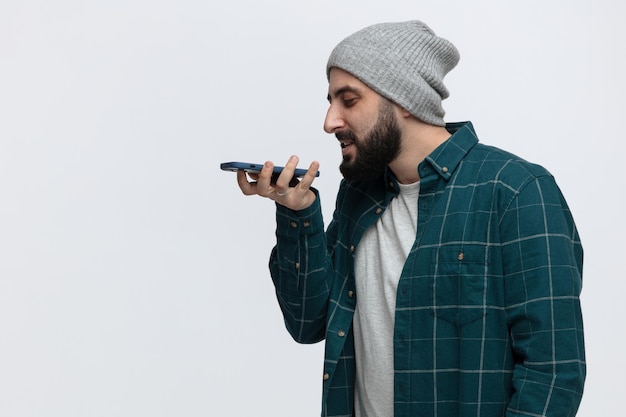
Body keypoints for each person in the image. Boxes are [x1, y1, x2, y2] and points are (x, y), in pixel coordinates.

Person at [236, 20, 585, 417]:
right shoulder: (359, 194)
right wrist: (298, 214)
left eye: (348, 100)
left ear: (403, 100)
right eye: (331, 101)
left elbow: (553, 373)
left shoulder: (517, 191)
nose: (329, 121)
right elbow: (307, 323)